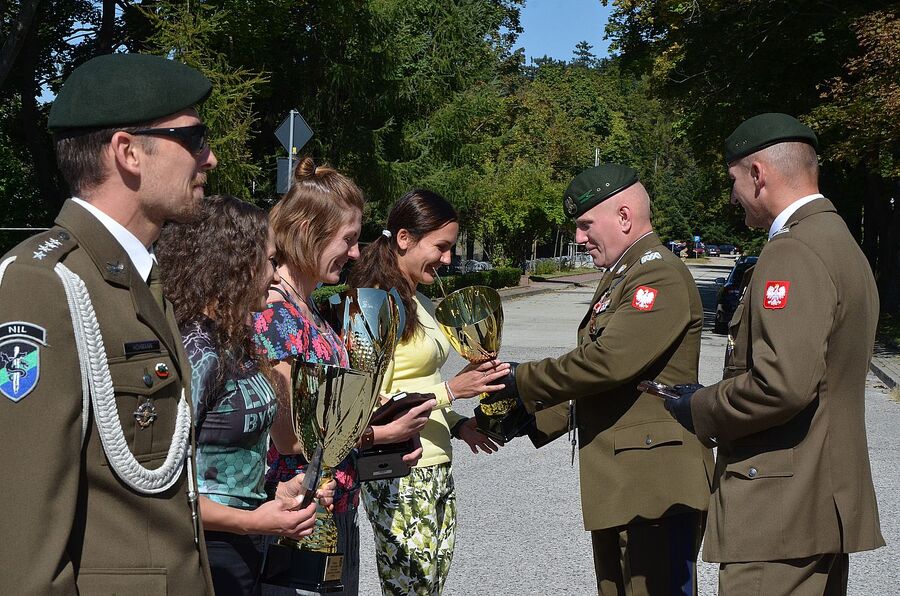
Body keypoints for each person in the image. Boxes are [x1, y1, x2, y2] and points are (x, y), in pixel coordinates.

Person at [0, 53, 217, 593]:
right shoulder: (42, 285)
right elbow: (25, 537)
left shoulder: (137, 277)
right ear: (127, 152)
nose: (209, 158)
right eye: (193, 139)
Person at [662, 113, 884, 595]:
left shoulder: (793, 251)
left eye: (734, 181)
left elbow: (781, 384)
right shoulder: (840, 242)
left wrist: (698, 406)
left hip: (778, 511)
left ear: (758, 175)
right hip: (817, 505)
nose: (733, 195)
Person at [489, 165, 714, 595]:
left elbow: (608, 363)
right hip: (629, 482)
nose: (578, 238)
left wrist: (522, 380)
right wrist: (531, 418)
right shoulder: (626, 272)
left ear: (625, 217)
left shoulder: (657, 272)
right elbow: (611, 381)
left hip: (656, 487)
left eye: (585, 225)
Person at [252, 159, 432, 595]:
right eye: (348, 240)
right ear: (309, 231)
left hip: (332, 510)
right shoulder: (277, 315)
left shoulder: (306, 307)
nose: (356, 253)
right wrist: (379, 434)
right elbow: (290, 437)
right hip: (299, 522)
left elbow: (328, 421)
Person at [157, 195, 333, 595]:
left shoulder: (239, 340)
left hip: (247, 545)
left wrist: (277, 493)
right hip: (202, 554)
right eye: (270, 261)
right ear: (233, 264)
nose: (275, 276)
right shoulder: (195, 351)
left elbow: (238, 462)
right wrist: (255, 521)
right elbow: (164, 489)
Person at [349, 188, 509, 595]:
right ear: (404, 238)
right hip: (397, 468)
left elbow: (414, 383)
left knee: (429, 589)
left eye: (450, 248)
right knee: (412, 590)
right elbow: (366, 400)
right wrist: (452, 392)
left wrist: (457, 425)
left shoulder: (416, 298)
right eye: (441, 247)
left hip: (435, 462)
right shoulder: (372, 302)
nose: (447, 258)